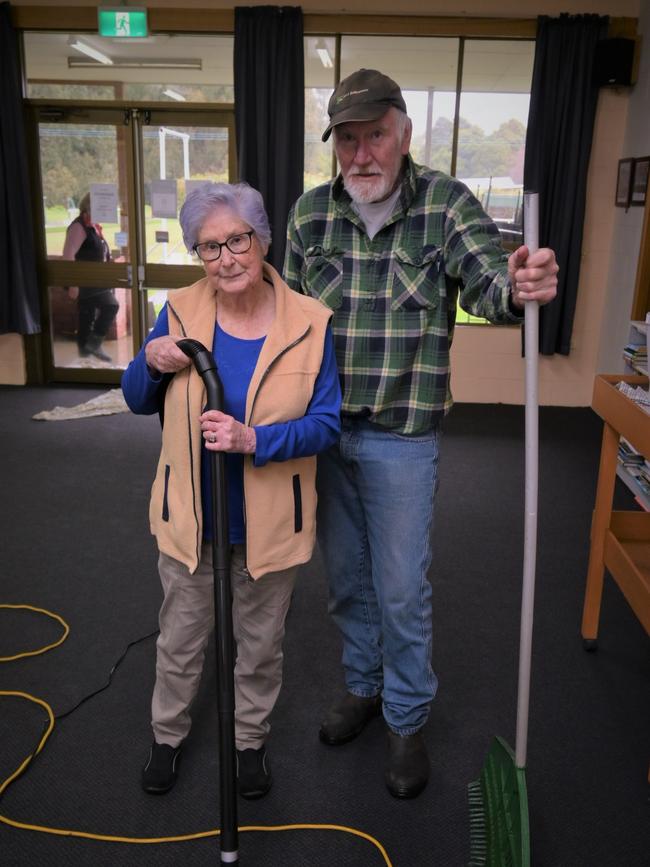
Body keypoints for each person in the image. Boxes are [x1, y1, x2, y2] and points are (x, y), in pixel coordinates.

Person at [283, 68, 559, 799]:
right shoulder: (310, 216)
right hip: (326, 430)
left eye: (376, 134)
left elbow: (491, 288)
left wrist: (522, 284)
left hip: (403, 435)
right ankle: (364, 687)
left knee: (401, 587)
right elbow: (283, 322)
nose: (362, 151)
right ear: (334, 144)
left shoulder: (445, 206)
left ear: (405, 136)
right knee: (346, 584)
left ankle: (406, 717)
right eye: (348, 137)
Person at [121, 181, 341, 799]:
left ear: (261, 239)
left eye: (236, 240)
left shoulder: (310, 323)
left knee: (260, 648)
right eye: (208, 247)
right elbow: (137, 398)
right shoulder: (180, 311)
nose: (226, 259)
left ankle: (250, 743)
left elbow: (325, 423)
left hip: (268, 525)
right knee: (181, 642)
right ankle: (167, 736)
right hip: (192, 520)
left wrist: (254, 441)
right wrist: (151, 361)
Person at [62, 193, 119, 363]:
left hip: (95, 281)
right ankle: (91, 348)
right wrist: (73, 284)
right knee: (110, 305)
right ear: (89, 207)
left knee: (86, 318)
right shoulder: (79, 227)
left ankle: (88, 353)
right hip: (84, 282)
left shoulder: (93, 226)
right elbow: (68, 256)